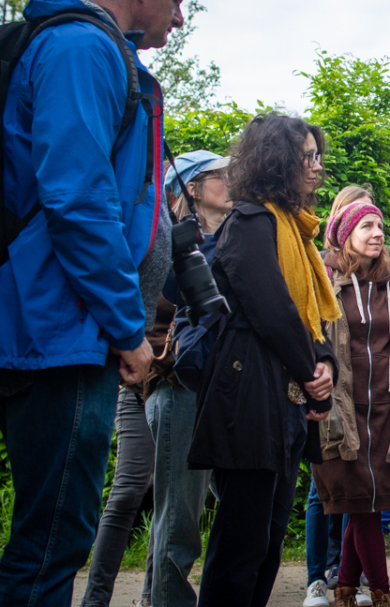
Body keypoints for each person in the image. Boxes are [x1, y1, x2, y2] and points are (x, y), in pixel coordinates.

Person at [0, 0, 198, 605]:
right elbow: (78, 200)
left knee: (49, 533)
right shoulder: (84, 49)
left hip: (49, 324)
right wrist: (125, 329)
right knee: (53, 538)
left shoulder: (82, 48)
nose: (179, 16)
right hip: (54, 330)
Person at [187, 113, 338, 606]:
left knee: (269, 540)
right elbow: (271, 309)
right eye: (307, 157)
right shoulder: (252, 220)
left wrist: (325, 364)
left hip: (284, 399)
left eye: (318, 156)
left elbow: (307, 315)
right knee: (241, 542)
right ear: (277, 161)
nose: (317, 168)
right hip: (249, 394)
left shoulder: (296, 228)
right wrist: (309, 371)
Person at [314, 198, 390, 607]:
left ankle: (345, 587)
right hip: (340, 406)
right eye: (367, 227)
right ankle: (381, 591)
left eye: (380, 226)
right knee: (361, 501)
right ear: (346, 236)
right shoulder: (324, 279)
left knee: (369, 500)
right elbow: (311, 336)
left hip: (385, 407)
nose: (378, 234)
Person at [145, 149, 231, 607]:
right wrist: (179, 249)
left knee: (231, 508)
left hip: (224, 391)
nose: (232, 182)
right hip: (179, 389)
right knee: (178, 521)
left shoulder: (237, 236)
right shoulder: (166, 240)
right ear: (193, 188)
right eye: (222, 176)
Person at [308, 185, 374, 607]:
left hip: (368, 397)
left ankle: (346, 571)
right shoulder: (322, 269)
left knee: (358, 488)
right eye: (362, 219)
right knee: (322, 491)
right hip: (330, 391)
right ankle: (317, 576)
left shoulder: (379, 275)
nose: (375, 229)